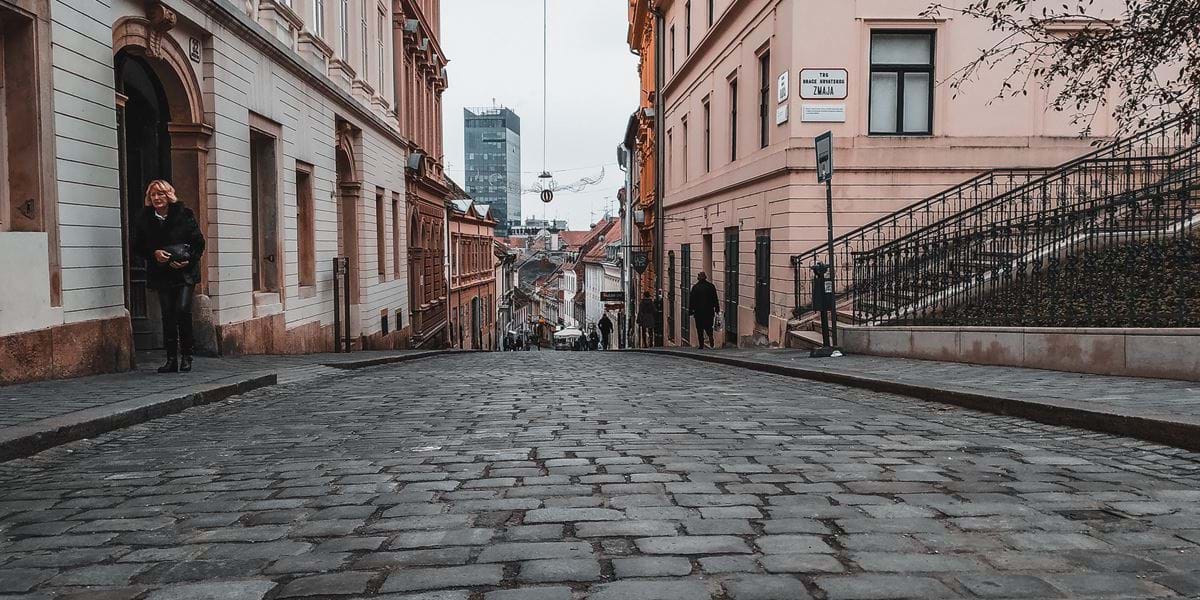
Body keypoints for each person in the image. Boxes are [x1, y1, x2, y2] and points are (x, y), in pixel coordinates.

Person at [132, 180, 206, 373]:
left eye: (161, 194)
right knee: (168, 315)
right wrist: (154, 254)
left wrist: (188, 259)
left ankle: (187, 356)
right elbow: (137, 246)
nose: (157, 198)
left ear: (169, 196)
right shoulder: (145, 219)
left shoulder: (184, 215)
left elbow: (198, 242)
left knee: (182, 310)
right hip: (161, 273)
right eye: (153, 195)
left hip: (185, 273)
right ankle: (171, 359)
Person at [688, 272, 721, 350]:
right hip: (709, 311)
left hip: (698, 312)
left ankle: (701, 344)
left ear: (698, 278)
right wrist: (717, 308)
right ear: (705, 278)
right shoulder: (711, 286)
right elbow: (715, 298)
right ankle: (710, 337)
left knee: (699, 328)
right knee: (709, 326)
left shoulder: (695, 288)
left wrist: (690, 310)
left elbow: (692, 301)